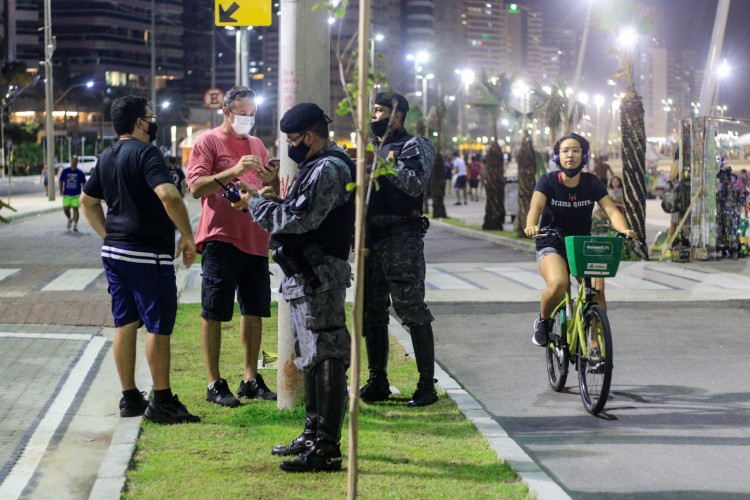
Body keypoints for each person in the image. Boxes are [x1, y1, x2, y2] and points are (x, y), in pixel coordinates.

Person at [235, 103, 354, 473]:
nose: (290, 147)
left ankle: (327, 448)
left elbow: (298, 219)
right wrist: (268, 199)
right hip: (305, 274)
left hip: (321, 275)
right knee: (311, 356)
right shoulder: (315, 166)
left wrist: (255, 203)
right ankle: (312, 433)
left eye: (294, 139)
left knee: (326, 354)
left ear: (312, 136)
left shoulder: (329, 169)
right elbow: (296, 212)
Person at [79, 95, 199, 424]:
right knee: (158, 328)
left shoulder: (107, 156)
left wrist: (109, 236)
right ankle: (162, 400)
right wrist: (187, 236)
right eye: (149, 116)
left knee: (125, 323)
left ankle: (130, 397)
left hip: (115, 253)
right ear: (139, 123)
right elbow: (169, 195)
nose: (153, 121)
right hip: (148, 255)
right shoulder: (147, 153)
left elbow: (87, 202)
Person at [187, 86, 278, 407]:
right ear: (226, 112)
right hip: (221, 237)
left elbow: (268, 190)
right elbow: (196, 187)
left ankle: (251, 377)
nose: (248, 119)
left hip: (255, 237)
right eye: (242, 113)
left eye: (252, 114)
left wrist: (268, 183)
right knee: (214, 311)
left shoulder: (256, 144)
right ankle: (214, 382)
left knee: (255, 310)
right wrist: (234, 171)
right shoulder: (208, 141)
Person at [359, 90, 438, 407]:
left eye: (378, 111)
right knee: (372, 313)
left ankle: (425, 384)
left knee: (411, 310)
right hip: (371, 241)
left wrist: (381, 164)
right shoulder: (373, 149)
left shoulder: (413, 145)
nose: (373, 116)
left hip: (401, 239)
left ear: (396, 116)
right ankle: (378, 380)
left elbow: (415, 184)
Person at [524, 133, 636, 348]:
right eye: (565, 150)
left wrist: (624, 230)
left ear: (583, 156)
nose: (570, 155)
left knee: (597, 289)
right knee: (559, 284)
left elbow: (611, 211)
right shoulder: (547, 181)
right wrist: (531, 225)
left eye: (576, 150)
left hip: (582, 244)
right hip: (552, 242)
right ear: (558, 156)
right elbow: (535, 208)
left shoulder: (591, 182)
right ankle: (543, 320)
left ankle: (595, 345)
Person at [59, 156, 87, 231]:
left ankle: (75, 225)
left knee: (75, 209)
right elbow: (61, 180)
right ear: (71, 161)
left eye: (75, 161)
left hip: (76, 194)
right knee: (66, 208)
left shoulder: (80, 173)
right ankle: (69, 218)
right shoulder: (65, 171)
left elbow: (84, 183)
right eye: (72, 161)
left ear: (77, 162)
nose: (74, 162)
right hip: (67, 194)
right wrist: (61, 190)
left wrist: (84, 193)